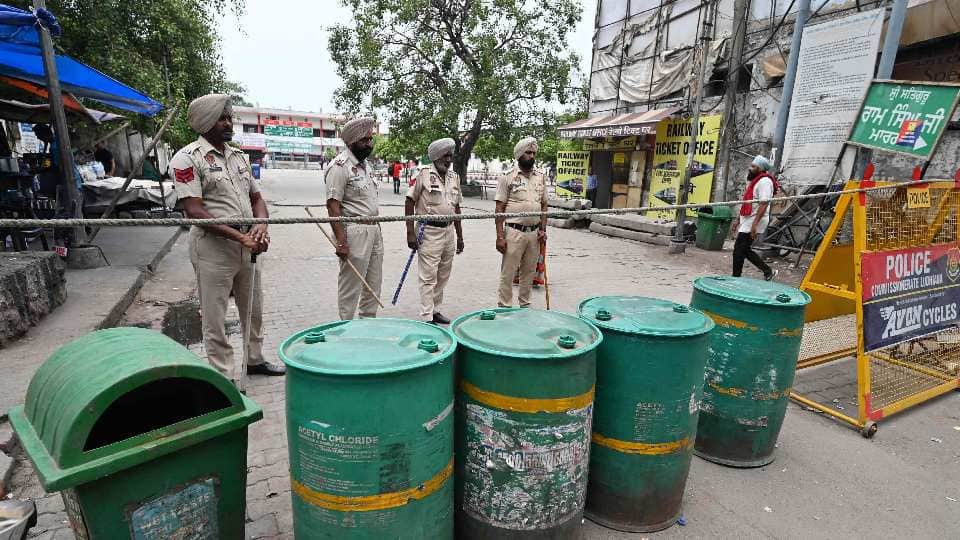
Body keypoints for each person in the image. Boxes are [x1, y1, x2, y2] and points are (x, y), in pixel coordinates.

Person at [168, 94, 284, 381]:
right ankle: (224, 375)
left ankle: (255, 360)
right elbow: (194, 211)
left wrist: (260, 226)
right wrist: (239, 237)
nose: (228, 123)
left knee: (253, 308)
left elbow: (257, 198)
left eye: (229, 117)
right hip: (213, 248)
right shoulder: (187, 158)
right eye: (222, 118)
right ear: (206, 121)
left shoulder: (239, 157)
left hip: (248, 246)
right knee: (215, 316)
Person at [326, 117, 383, 320]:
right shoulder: (339, 167)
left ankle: (368, 324)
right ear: (352, 142)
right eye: (365, 141)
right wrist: (341, 241)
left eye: (370, 140)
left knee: (373, 284)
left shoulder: (365, 166)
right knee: (352, 285)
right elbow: (333, 206)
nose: (369, 144)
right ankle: (345, 326)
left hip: (374, 229)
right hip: (354, 231)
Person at [405, 138, 465, 324]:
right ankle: (426, 315)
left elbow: (456, 208)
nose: (449, 159)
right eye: (445, 155)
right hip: (428, 230)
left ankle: (435, 309)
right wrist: (410, 232)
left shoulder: (454, 177)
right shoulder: (422, 174)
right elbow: (409, 202)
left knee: (443, 274)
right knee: (428, 275)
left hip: (448, 232)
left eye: (450, 156)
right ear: (436, 157)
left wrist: (460, 236)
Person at [495, 137, 548, 308]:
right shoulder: (507, 177)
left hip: (534, 234)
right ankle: (505, 307)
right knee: (508, 273)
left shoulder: (541, 177)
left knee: (529, 273)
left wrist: (543, 229)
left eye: (533, 153)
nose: (532, 156)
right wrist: (500, 237)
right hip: (513, 232)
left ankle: (525, 307)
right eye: (528, 152)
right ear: (519, 155)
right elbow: (499, 209)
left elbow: (544, 205)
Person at [733, 155, 779, 281]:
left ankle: (735, 278)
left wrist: (754, 224)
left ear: (761, 169)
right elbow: (747, 202)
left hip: (755, 220)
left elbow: (764, 204)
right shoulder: (756, 181)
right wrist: (738, 219)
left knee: (739, 250)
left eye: (754, 166)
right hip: (748, 219)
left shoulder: (765, 182)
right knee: (744, 250)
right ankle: (768, 271)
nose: (750, 168)